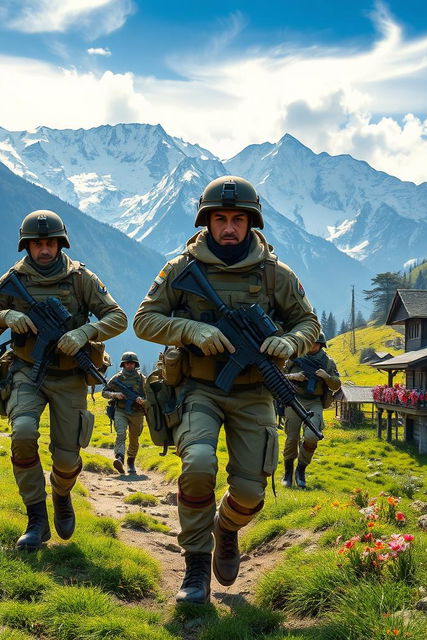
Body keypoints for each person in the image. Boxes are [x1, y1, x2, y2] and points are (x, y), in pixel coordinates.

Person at [133, 176, 320, 604]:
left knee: (251, 492)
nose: (230, 227)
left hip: (254, 391)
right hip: (199, 387)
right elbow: (144, 320)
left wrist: (289, 342)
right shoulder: (181, 269)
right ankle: (196, 566)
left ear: (251, 222)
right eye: (221, 219)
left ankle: (226, 528)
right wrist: (191, 329)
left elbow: (309, 324)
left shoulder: (276, 274)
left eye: (238, 219)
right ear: (208, 221)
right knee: (198, 463)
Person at [0, 210, 126, 551]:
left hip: (70, 374)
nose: (44, 250)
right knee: (23, 433)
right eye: (37, 243)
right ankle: (36, 519)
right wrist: (3, 316)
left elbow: (118, 318)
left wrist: (85, 332)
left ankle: (61, 492)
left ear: (60, 243)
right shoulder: (12, 280)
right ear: (27, 245)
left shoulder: (80, 278)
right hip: (26, 370)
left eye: (50, 243)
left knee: (67, 458)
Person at [282, 332, 340, 489]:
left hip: (314, 401)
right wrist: (293, 376)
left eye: (315, 343)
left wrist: (326, 376)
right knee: (292, 438)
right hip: (294, 400)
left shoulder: (327, 362)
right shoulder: (294, 356)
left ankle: (301, 470)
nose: (311, 345)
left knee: (312, 436)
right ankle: (288, 472)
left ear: (321, 345)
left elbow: (336, 385)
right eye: (308, 342)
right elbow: (278, 374)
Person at [102, 351, 146, 474]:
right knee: (120, 433)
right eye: (127, 363)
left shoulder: (142, 379)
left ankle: (131, 462)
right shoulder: (117, 378)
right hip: (121, 410)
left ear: (135, 364)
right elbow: (104, 392)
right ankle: (120, 458)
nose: (129, 365)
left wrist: (142, 401)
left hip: (137, 413)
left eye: (132, 363)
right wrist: (114, 394)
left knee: (134, 438)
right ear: (123, 364)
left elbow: (150, 396)